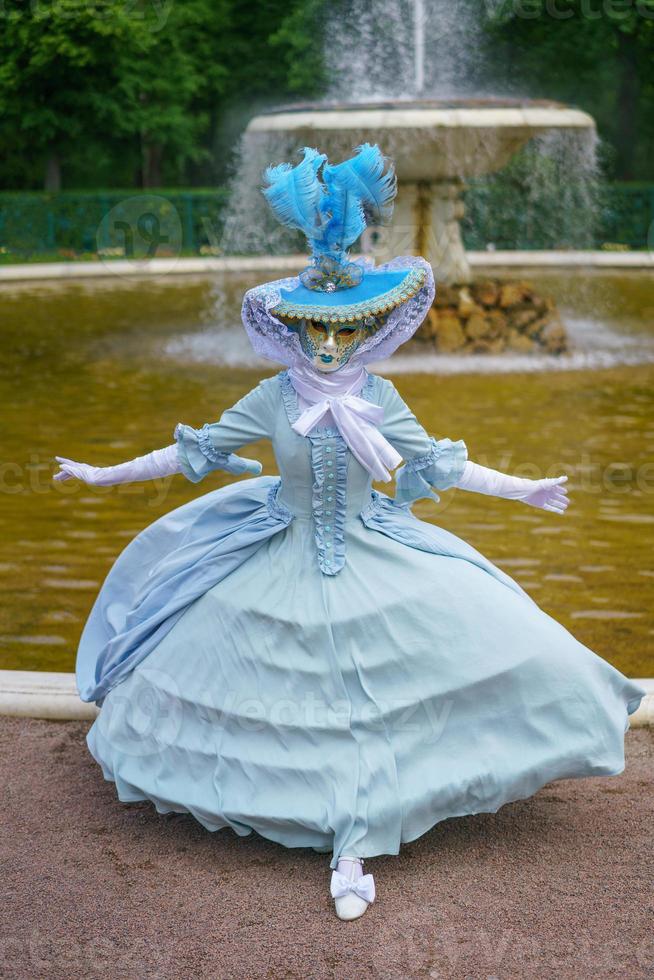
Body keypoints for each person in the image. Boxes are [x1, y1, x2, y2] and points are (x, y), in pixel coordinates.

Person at [54, 144, 646, 922]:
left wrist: (523, 488)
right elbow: (195, 449)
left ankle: (362, 833)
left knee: (498, 641)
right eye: (310, 333)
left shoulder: (381, 396)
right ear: (292, 332)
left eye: (340, 333)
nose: (325, 347)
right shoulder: (272, 396)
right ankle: (336, 828)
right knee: (274, 686)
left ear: (366, 329)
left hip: (373, 546)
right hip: (278, 552)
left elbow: (435, 463)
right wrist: (103, 474)